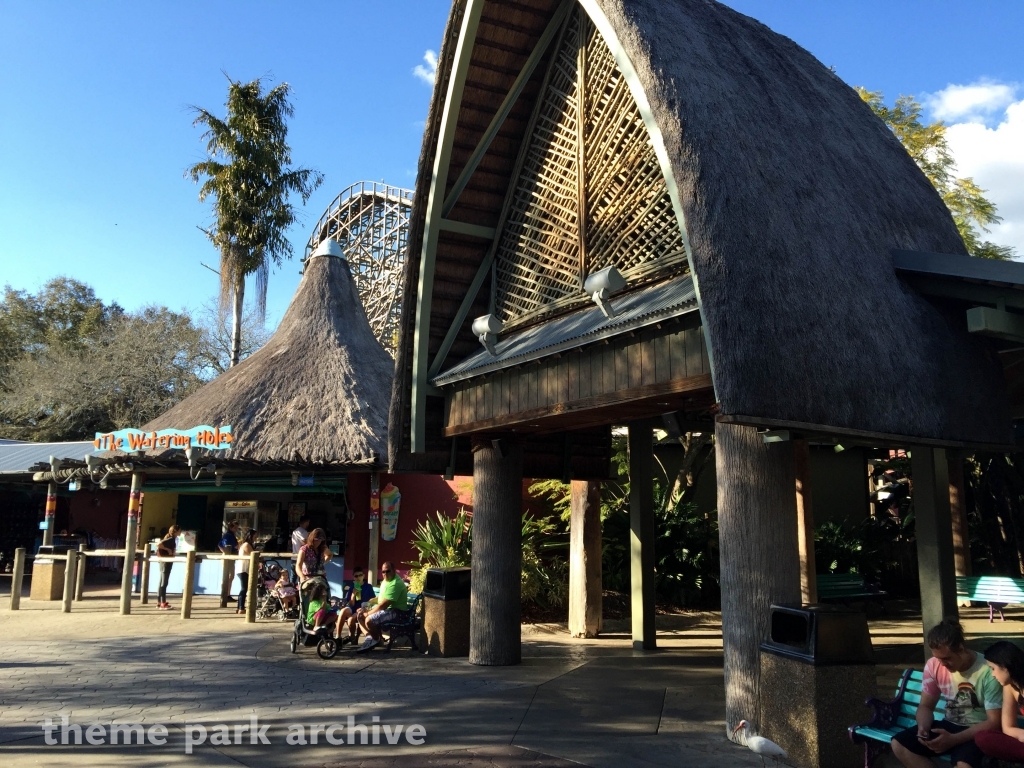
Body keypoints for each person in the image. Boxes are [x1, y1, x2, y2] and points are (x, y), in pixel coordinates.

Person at [891, 618, 1002, 768]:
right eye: (938, 658)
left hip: (978, 731)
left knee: (964, 765)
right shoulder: (934, 665)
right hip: (949, 725)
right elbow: (925, 706)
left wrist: (953, 740)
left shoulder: (988, 671)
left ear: (961, 649)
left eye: (947, 658)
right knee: (899, 744)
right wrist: (923, 728)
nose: (942, 664)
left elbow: (994, 722)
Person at [976, 641, 1024, 761]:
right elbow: (1008, 727)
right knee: (983, 738)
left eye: (993, 669)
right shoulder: (1009, 687)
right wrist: (1021, 734)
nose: (992, 675)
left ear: (1006, 666)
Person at [356, 562, 409, 652]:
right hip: (386, 609)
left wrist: (368, 613)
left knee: (369, 620)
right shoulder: (385, 581)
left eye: (388, 571)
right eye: (383, 572)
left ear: (394, 570)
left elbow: (383, 605)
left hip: (397, 612)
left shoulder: (395, 583)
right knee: (360, 615)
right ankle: (369, 638)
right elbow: (381, 598)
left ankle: (376, 640)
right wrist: (369, 603)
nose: (385, 574)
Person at [335, 566, 377, 641]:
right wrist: (353, 594)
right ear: (353, 578)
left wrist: (366, 605)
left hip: (362, 609)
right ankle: (338, 636)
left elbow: (373, 600)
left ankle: (353, 637)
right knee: (343, 611)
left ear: (363, 576)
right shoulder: (352, 587)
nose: (358, 578)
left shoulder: (368, 587)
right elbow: (351, 604)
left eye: (360, 575)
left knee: (350, 620)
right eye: (356, 576)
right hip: (353, 608)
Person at [155, 525, 180, 611]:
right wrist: (168, 550)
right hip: (166, 562)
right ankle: (163, 603)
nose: (180, 532)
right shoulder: (170, 539)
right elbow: (158, 544)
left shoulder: (171, 538)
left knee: (161, 581)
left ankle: (159, 602)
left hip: (164, 561)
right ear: (176, 531)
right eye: (179, 531)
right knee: (164, 583)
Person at [235, 529, 255, 614]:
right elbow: (253, 554)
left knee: (244, 588)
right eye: (254, 536)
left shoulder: (245, 544)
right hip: (243, 569)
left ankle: (239, 607)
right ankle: (241, 607)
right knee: (244, 588)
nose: (255, 538)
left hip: (244, 569)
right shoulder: (246, 545)